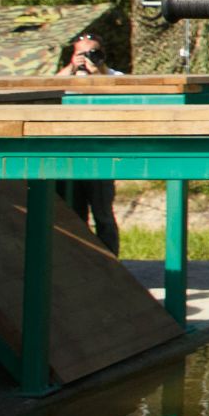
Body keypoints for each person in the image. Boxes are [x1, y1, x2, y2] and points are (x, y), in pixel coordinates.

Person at [53, 34, 121, 254]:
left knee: (103, 215)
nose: (88, 58)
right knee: (72, 214)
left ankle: (111, 260)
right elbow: (48, 85)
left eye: (93, 52)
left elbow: (119, 89)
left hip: (99, 155)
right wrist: (73, 68)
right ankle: (79, 260)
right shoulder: (68, 76)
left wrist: (97, 73)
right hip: (68, 156)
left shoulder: (113, 75)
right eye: (82, 53)